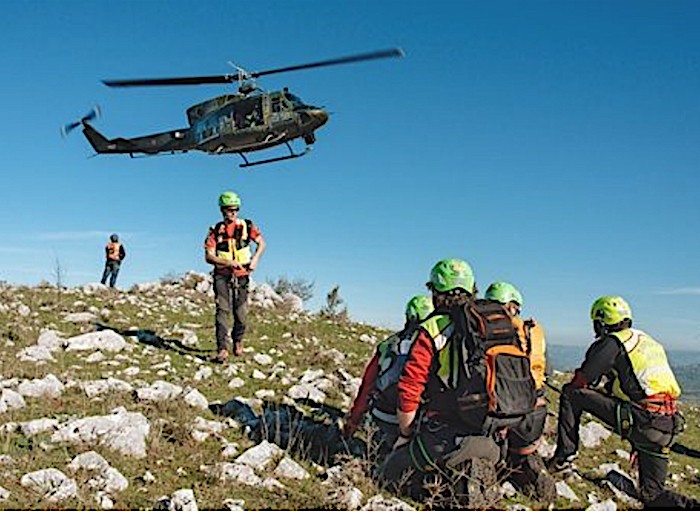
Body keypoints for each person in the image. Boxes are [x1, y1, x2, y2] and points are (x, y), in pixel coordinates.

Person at [380, 259, 553, 504]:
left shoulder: (432, 328)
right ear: (473, 288)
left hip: (448, 435)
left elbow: (410, 389)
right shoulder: (498, 323)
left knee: (388, 474)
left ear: (435, 292)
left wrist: (405, 434)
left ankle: (453, 491)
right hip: (498, 433)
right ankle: (482, 472)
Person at [548, 295, 699, 509]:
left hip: (644, 421)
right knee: (651, 495)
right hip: (668, 426)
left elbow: (582, 381)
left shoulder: (612, 342)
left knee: (571, 394)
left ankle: (563, 459)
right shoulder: (647, 341)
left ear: (601, 322)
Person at [343, 295, 434, 455]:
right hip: (419, 422)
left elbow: (367, 387)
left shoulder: (388, 344)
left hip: (383, 418)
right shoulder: (435, 345)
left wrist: (352, 423)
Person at [484, 281, 551, 495]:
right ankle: (525, 465)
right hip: (535, 405)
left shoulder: (490, 328)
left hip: (500, 406)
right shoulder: (534, 330)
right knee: (522, 445)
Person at [204, 191, 266, 364]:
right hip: (222, 276)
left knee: (241, 313)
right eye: (227, 210)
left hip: (243, 275)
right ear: (222, 210)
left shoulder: (247, 225)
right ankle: (222, 349)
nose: (230, 214)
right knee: (222, 311)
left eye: (233, 210)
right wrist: (226, 262)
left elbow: (262, 243)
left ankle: (238, 340)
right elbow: (208, 256)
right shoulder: (215, 230)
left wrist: (255, 259)